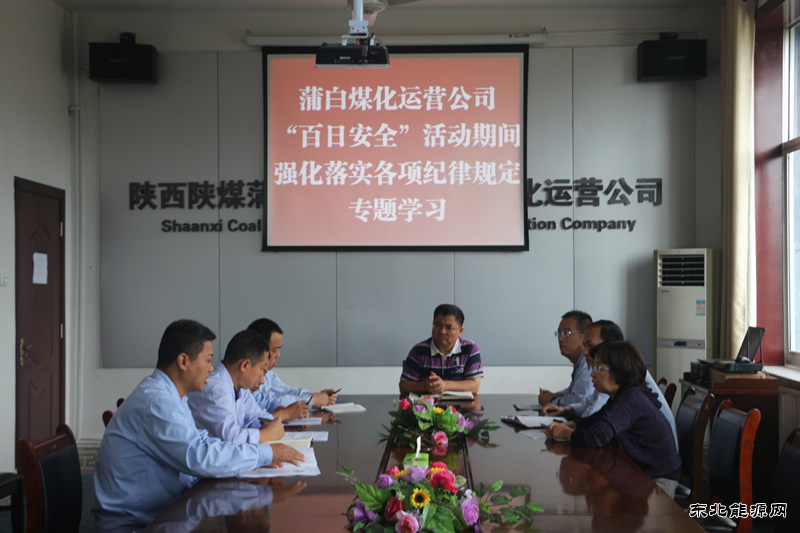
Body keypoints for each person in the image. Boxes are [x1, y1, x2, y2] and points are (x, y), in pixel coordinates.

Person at [93, 319, 305, 525]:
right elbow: (199, 456)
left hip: (166, 509)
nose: (211, 369)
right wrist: (265, 453)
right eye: (207, 360)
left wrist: (256, 457)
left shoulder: (173, 396)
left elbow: (203, 442)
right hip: (139, 523)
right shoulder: (158, 402)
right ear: (183, 361)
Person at [545, 341, 681, 497]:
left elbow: (594, 438)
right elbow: (595, 420)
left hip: (657, 480)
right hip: (638, 473)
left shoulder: (631, 399)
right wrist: (571, 424)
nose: (592, 373)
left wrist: (565, 433)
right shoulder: (623, 395)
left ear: (619, 370)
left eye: (598, 368)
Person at [543, 319, 678, 447]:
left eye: (590, 346)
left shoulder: (629, 393)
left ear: (612, 347)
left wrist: (566, 432)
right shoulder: (620, 388)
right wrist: (571, 423)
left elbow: (596, 434)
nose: (585, 352)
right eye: (584, 346)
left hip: (648, 461)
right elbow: (595, 415)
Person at [187, 330, 297, 444]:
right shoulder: (216, 389)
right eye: (261, 369)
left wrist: (270, 424)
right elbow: (232, 439)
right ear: (245, 365)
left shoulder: (240, 387)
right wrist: (266, 434)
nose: (262, 379)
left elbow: (256, 416)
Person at [248, 318, 338, 411]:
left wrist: (318, 396)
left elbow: (286, 391)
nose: (278, 355)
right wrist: (311, 400)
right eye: (274, 350)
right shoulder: (246, 378)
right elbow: (266, 403)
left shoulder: (269, 373)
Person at [399, 304, 483, 395]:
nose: (442, 331)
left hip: (459, 404)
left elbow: (474, 385)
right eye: (438, 325)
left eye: (449, 328)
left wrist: (444, 385)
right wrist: (425, 386)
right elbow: (403, 387)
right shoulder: (418, 351)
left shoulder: (470, 348)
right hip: (427, 403)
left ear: (460, 331)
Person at [538, 310, 594, 407]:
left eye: (567, 333)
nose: (560, 338)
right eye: (559, 333)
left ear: (585, 336)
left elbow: (579, 401)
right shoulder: (580, 362)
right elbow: (571, 391)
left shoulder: (588, 364)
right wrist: (554, 395)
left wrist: (552, 400)